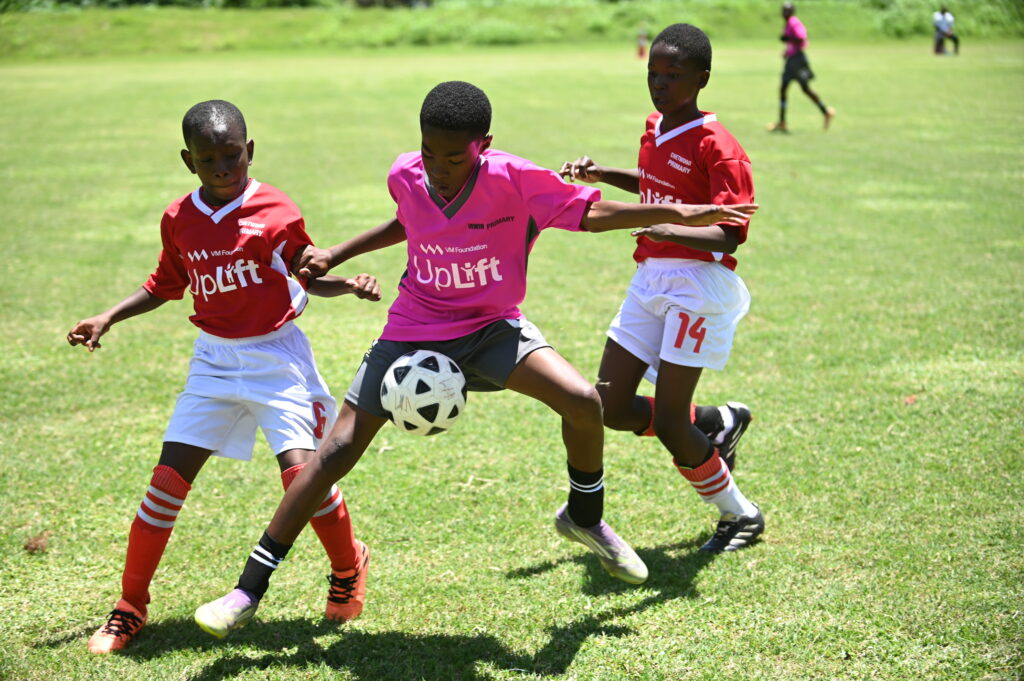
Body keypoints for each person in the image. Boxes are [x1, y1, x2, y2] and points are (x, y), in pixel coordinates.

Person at [191, 81, 758, 638]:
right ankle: (247, 591)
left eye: (453, 156)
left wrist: (677, 215)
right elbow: (409, 217)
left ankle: (585, 519)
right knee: (336, 449)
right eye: (429, 151)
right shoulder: (405, 173)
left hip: (492, 329)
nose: (437, 166)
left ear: (483, 143)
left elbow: (592, 215)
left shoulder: (516, 178)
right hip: (413, 329)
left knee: (584, 403)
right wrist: (340, 252)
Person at [67, 100, 381, 653]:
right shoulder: (178, 218)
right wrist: (108, 316)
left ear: (249, 151)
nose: (221, 168)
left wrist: (346, 284)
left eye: (231, 156)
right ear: (188, 161)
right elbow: (165, 284)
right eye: (208, 159)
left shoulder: (276, 208)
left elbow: (307, 267)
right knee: (165, 483)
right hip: (213, 361)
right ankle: (129, 606)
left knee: (302, 478)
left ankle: (347, 566)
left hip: (278, 359)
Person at [560, 23, 766, 554]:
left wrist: (671, 230)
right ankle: (716, 423)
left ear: (701, 78)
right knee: (606, 404)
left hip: (698, 284)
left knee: (671, 422)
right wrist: (603, 172)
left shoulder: (720, 146)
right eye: (653, 73)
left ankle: (740, 515)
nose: (660, 83)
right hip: (650, 277)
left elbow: (732, 228)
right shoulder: (655, 127)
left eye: (673, 75)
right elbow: (656, 185)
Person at [768, 2, 836, 132]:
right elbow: (793, 44)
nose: (785, 13)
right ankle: (782, 122)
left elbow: (802, 38)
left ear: (792, 12)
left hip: (797, 61)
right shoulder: (788, 23)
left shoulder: (794, 22)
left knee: (804, 89)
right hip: (792, 61)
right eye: (783, 11)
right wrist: (787, 51)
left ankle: (826, 111)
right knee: (784, 89)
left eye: (787, 11)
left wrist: (789, 38)